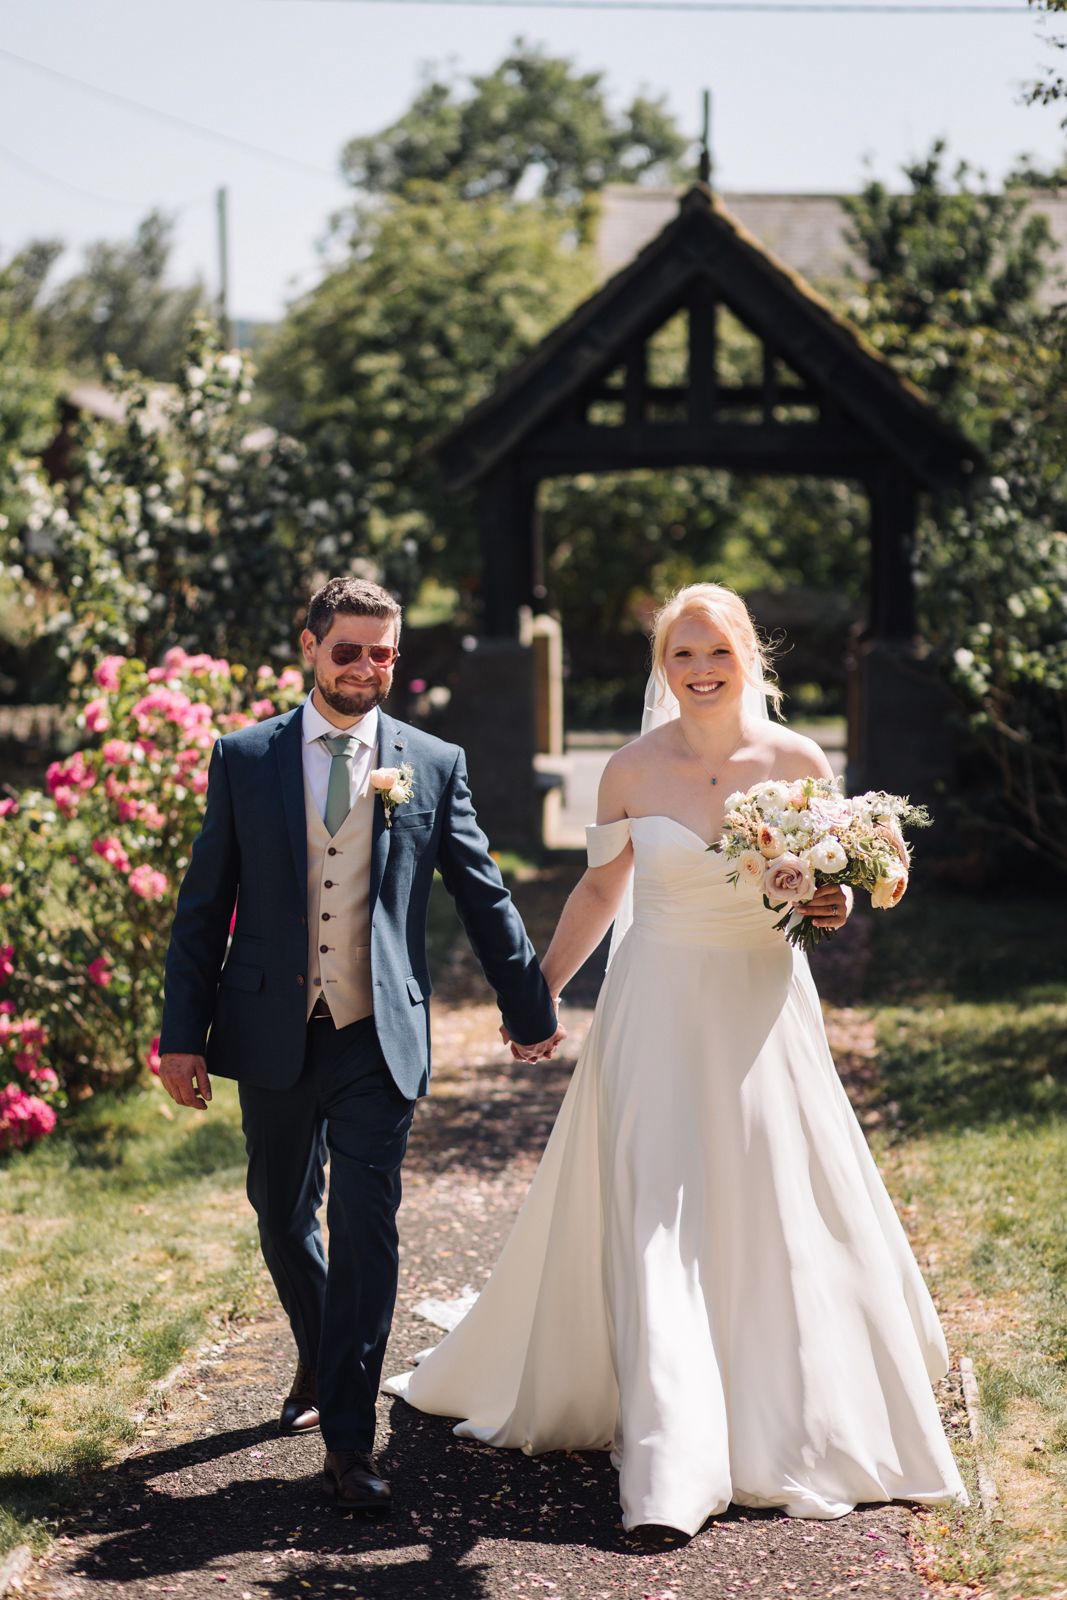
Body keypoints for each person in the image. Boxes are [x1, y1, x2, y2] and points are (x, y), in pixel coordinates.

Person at [386, 582, 968, 1535]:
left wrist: (835, 904)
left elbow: (835, 891)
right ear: (663, 670)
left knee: (762, 1200)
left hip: (759, 1011)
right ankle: (670, 1456)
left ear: (750, 658)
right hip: (652, 1007)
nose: (699, 672)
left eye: (716, 654)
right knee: (657, 1207)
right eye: (680, 657)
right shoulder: (628, 769)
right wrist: (536, 990)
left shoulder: (796, 760)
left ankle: (780, 1404)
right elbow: (599, 889)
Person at [157, 576, 562, 1513]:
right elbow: (202, 907)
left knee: (367, 1226)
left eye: (385, 653)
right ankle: (320, 1345)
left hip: (377, 1033)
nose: (369, 668)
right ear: (310, 647)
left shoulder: (431, 760)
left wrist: (530, 1003)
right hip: (269, 1029)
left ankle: (350, 1439)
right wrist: (182, 1036)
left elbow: (481, 890)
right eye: (350, 650)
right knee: (278, 1209)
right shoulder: (245, 757)